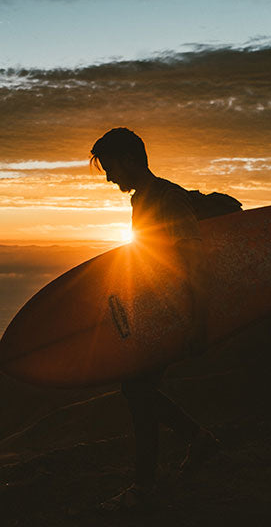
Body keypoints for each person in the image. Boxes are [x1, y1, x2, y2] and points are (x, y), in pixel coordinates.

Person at [90, 127, 230, 510]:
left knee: (137, 391)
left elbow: (193, 262)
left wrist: (197, 323)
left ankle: (146, 487)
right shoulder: (143, 200)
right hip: (157, 311)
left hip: (175, 314)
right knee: (137, 391)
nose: (107, 176)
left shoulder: (166, 200)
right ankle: (194, 445)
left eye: (110, 166)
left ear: (130, 160)